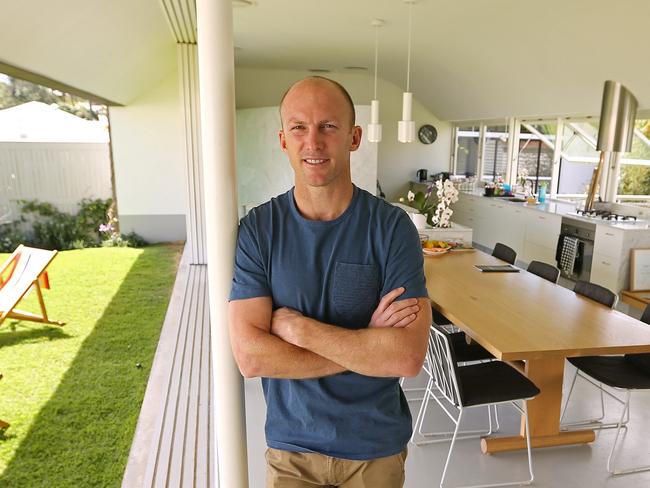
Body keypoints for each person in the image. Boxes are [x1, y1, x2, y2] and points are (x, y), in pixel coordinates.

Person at [229, 76, 432, 488]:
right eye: (299, 127)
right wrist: (366, 345)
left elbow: (405, 357)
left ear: (354, 137)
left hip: (375, 449)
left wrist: (299, 330)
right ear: (283, 140)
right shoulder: (258, 230)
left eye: (329, 126)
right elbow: (251, 357)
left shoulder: (391, 228)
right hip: (291, 451)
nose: (313, 142)